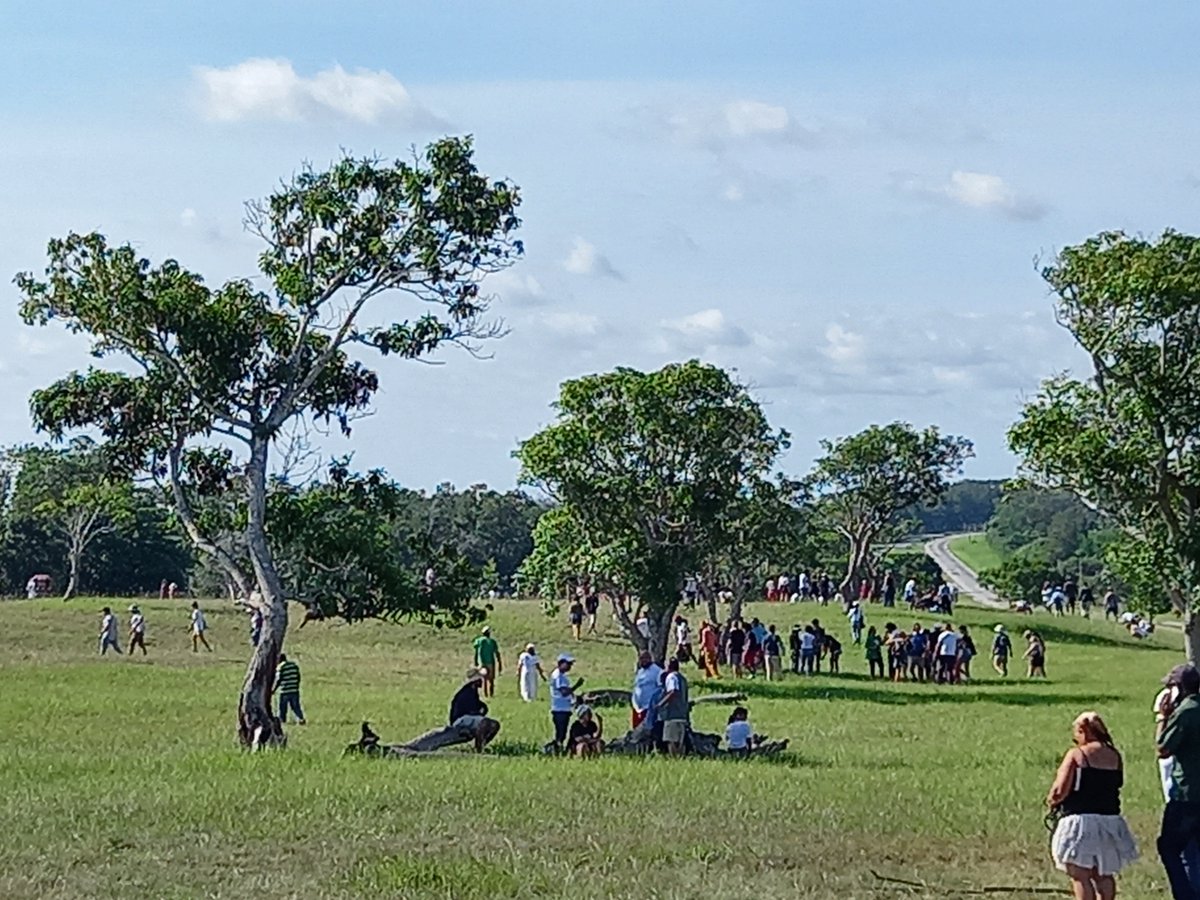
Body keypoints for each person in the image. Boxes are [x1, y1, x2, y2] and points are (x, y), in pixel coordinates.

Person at [1046, 711, 1138, 900]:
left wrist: (1052, 802)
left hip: (1081, 822)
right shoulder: (1115, 756)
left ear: (1083, 731)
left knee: (1080, 874)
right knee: (1103, 874)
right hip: (1110, 821)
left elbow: (1059, 791)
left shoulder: (1077, 755)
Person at [1156, 663, 1200, 899]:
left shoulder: (1185, 712)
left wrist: (1163, 717)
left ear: (1179, 688)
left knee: (1169, 847)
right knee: (1194, 849)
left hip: (1187, 793)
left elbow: (1163, 748)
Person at [448, 668, 500, 752]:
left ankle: (481, 745)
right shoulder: (467, 693)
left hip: (465, 719)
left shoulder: (472, 692)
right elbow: (471, 711)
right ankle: (478, 748)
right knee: (484, 723)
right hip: (460, 720)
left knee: (494, 724)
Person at [549, 654, 584, 753]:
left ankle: (558, 749)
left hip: (564, 708)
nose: (569, 666)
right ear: (561, 663)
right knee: (561, 733)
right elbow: (564, 692)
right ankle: (556, 750)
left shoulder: (561, 676)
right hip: (559, 709)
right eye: (567, 664)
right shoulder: (558, 676)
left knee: (562, 732)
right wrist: (577, 685)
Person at [658, 658, 690, 755]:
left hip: (672, 714)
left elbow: (673, 691)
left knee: (671, 739)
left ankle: (674, 758)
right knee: (680, 740)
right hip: (682, 714)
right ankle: (681, 757)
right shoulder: (683, 679)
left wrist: (661, 704)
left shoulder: (671, 677)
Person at [631, 651, 664, 729]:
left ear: (650, 659)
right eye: (641, 659)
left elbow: (661, 688)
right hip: (637, 707)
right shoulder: (640, 672)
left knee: (646, 730)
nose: (643, 661)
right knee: (636, 731)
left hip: (648, 707)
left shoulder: (657, 671)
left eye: (645, 658)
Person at [275, 653, 305, 725]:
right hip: (294, 690)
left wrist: (274, 689)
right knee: (296, 706)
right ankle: (300, 718)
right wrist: (296, 685)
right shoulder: (294, 665)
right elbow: (298, 676)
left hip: (284, 690)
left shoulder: (280, 667)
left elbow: (278, 679)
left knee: (283, 708)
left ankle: (282, 720)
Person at [472, 626, 502, 698]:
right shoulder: (492, 641)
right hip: (490, 662)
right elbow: (497, 653)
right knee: (491, 679)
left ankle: (485, 694)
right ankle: (491, 694)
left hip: (482, 662)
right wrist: (499, 662)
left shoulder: (478, 641)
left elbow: (476, 652)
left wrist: (475, 661)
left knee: (484, 679)